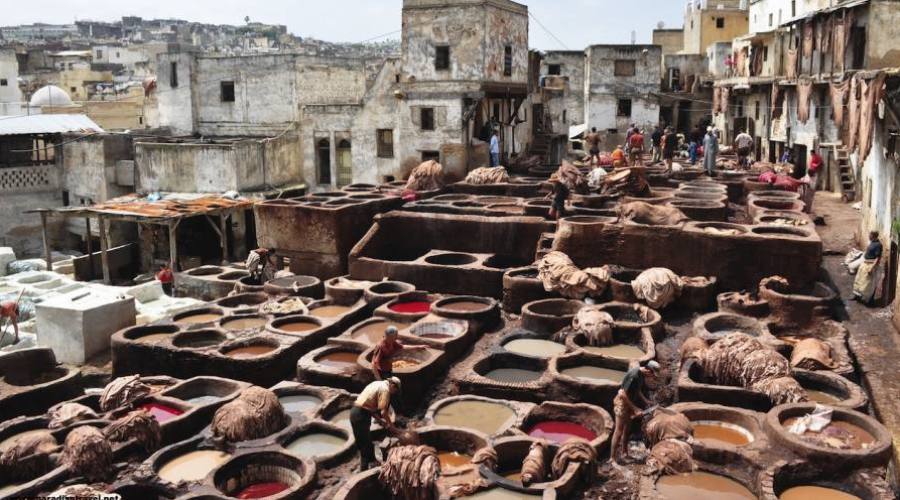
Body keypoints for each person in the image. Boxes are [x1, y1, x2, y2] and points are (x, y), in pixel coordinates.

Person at [611, 360, 660, 464]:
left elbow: (637, 390)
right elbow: (622, 394)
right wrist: (635, 409)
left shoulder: (642, 375)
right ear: (648, 369)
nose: (652, 377)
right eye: (652, 374)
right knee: (618, 431)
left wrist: (646, 401)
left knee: (627, 430)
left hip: (630, 403)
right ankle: (612, 459)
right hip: (622, 404)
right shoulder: (634, 375)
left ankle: (624, 453)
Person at [351, 377, 402, 469]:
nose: (393, 393)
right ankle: (364, 470)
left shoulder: (376, 383)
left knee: (366, 440)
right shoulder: (385, 390)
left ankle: (373, 462)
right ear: (393, 385)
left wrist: (379, 420)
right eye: (395, 391)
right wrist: (392, 427)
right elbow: (383, 412)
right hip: (361, 415)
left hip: (355, 412)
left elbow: (368, 406)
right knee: (364, 445)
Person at [853, 231, 883, 305]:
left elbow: (877, 258)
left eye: (870, 235)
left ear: (873, 236)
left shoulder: (878, 245)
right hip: (865, 263)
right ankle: (857, 297)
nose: (869, 236)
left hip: (870, 265)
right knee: (859, 280)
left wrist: (871, 268)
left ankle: (870, 300)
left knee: (868, 284)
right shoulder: (872, 242)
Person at [801, 149, 824, 213]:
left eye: (811, 153)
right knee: (807, 200)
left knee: (808, 200)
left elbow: (821, 162)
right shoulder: (808, 177)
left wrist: (816, 165)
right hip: (811, 171)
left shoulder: (817, 157)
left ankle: (807, 210)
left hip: (814, 170)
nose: (810, 154)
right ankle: (806, 210)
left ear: (813, 153)